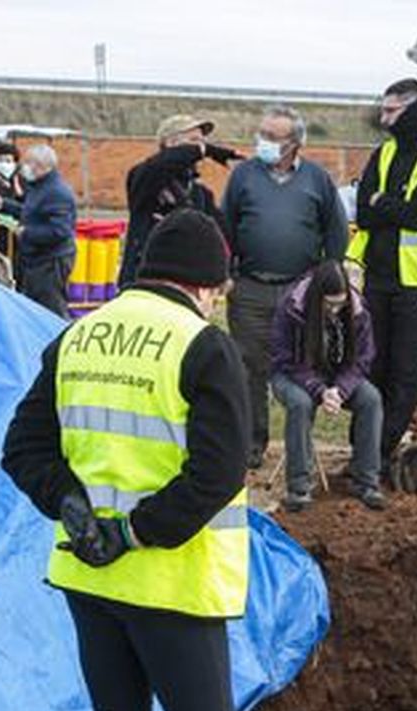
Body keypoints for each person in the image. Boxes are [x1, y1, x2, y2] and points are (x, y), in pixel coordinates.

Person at [0, 209, 331, 711]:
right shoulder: (201, 344)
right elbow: (219, 470)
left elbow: (20, 445)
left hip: (90, 581)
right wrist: (135, 532)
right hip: (171, 581)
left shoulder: (78, 336)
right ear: (209, 285)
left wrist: (73, 507)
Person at [222, 104, 349, 468]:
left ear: (295, 143)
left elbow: (336, 232)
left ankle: (299, 448)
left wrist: (326, 279)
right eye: (261, 134)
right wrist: (228, 274)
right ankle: (252, 445)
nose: (263, 142)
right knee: (249, 370)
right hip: (250, 290)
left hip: (300, 292)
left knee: (300, 368)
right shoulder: (244, 176)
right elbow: (226, 226)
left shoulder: (317, 179)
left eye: (272, 137)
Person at [347, 79, 417, 483]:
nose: (384, 118)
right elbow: (364, 210)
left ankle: (379, 457)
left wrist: (384, 203)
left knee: (405, 373)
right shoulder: (384, 152)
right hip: (378, 277)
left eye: (392, 111)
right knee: (370, 366)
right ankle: (361, 451)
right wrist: (385, 205)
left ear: (414, 109)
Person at [269, 259, 385, 512]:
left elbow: (363, 360)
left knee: (371, 399)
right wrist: (319, 390)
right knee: (300, 403)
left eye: (340, 303)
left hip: (337, 377)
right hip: (292, 375)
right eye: (329, 303)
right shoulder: (291, 306)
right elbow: (285, 359)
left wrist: (340, 390)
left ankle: (366, 481)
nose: (335, 310)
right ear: (316, 295)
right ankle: (299, 488)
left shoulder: (357, 310)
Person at [118, 114, 240, 290]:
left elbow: (220, 234)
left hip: (185, 283)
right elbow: (162, 164)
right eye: (193, 140)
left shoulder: (200, 193)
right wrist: (207, 151)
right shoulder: (145, 177)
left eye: (202, 141)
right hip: (143, 280)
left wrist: (226, 270)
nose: (200, 147)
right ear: (170, 143)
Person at [0, 144, 76, 316]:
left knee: (51, 309)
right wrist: (4, 205)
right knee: (34, 309)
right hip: (35, 260)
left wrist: (26, 233)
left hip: (51, 262)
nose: (24, 167)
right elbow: (30, 212)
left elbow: (60, 231)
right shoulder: (38, 187)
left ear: (43, 166)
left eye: (28, 163)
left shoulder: (57, 192)